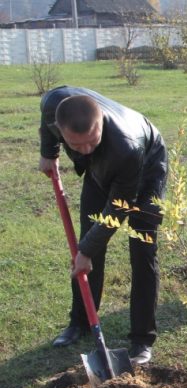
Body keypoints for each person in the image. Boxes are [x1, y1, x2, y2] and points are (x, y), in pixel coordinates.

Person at [38, 86, 167, 365]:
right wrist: (49, 151)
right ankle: (81, 322)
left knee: (142, 250)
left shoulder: (126, 146)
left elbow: (118, 209)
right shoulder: (53, 105)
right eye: (76, 145)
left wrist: (85, 251)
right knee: (89, 242)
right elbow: (49, 127)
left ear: (101, 126)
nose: (84, 150)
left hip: (146, 167)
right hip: (102, 169)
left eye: (91, 141)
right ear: (61, 129)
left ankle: (142, 339)